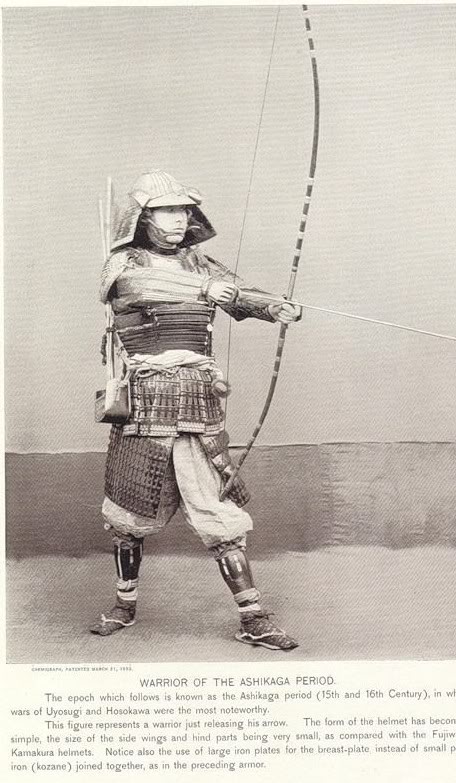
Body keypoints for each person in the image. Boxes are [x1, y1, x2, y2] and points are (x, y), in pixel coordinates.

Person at [91, 170, 301, 650]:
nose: (180, 218)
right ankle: (124, 605)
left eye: (184, 210)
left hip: (196, 403)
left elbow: (239, 295)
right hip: (144, 406)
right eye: (168, 209)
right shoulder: (124, 263)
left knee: (218, 514)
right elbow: (136, 287)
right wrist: (203, 290)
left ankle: (253, 617)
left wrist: (274, 307)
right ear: (143, 217)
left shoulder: (199, 263)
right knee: (127, 514)